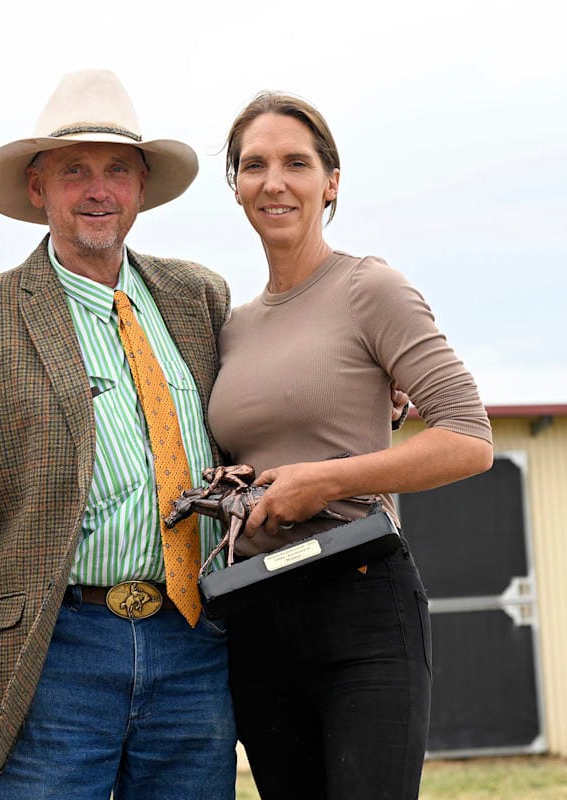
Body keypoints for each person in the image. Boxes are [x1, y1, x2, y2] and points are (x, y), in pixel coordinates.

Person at [0, 70, 237, 798]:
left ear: (142, 188)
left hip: (195, 643)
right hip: (53, 652)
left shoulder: (199, 298)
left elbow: (261, 412)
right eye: (74, 170)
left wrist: (373, 387)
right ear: (37, 188)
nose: (97, 189)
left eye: (117, 169)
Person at [206, 92, 494, 799]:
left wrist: (326, 482)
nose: (274, 182)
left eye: (296, 163)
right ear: (236, 185)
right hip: (258, 613)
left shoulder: (371, 289)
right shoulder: (230, 327)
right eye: (255, 165)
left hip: (359, 603)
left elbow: (469, 437)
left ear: (330, 181)